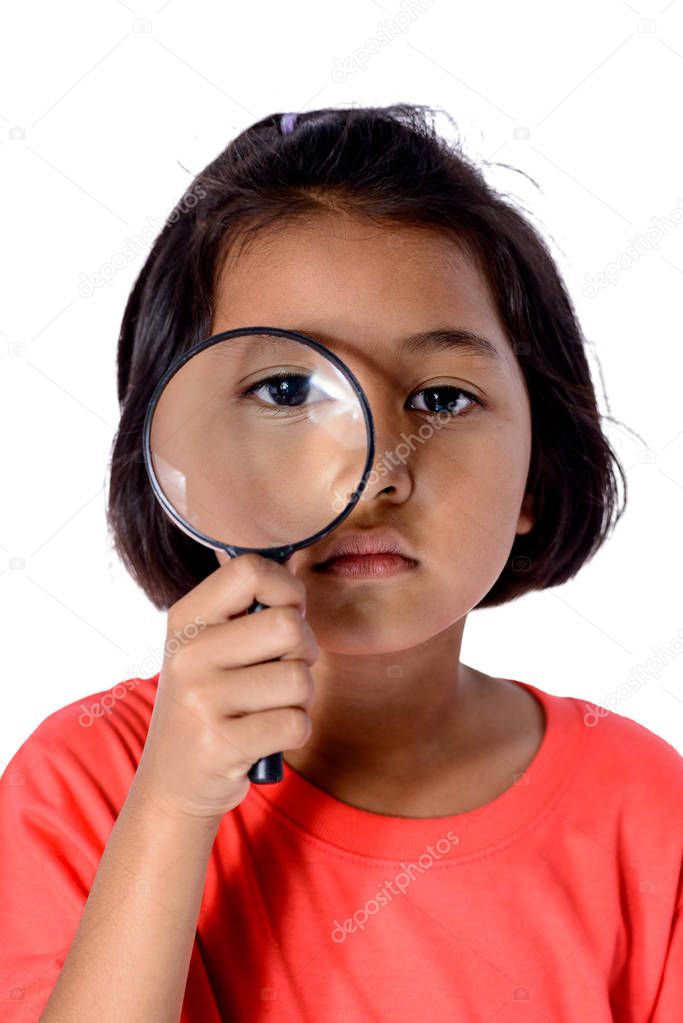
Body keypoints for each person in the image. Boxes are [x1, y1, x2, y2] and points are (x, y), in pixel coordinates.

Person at [1, 104, 681, 1022]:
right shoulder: (89, 776)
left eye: (441, 396)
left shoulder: (643, 802)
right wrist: (171, 810)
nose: (369, 475)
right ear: (177, 452)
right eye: (286, 390)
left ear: (540, 467)